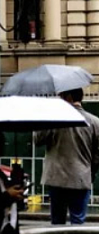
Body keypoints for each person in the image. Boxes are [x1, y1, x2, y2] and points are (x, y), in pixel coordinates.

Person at [34, 88, 99, 225]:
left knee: (57, 222)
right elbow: (97, 155)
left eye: (61, 96)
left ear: (68, 97)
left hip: (56, 178)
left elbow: (37, 140)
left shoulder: (54, 119)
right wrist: (91, 172)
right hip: (81, 178)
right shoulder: (94, 122)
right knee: (78, 221)